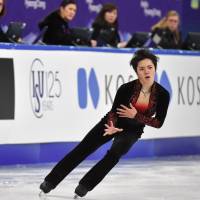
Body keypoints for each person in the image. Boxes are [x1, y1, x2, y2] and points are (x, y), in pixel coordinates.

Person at [39, 49, 170, 198]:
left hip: (133, 130)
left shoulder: (163, 94)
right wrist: (112, 125)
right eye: (142, 68)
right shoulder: (126, 89)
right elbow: (114, 111)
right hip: (112, 123)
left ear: (155, 68)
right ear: (136, 72)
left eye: (150, 67)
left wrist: (136, 115)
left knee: (114, 155)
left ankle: (84, 186)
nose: (147, 71)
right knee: (84, 148)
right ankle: (50, 182)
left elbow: (158, 122)